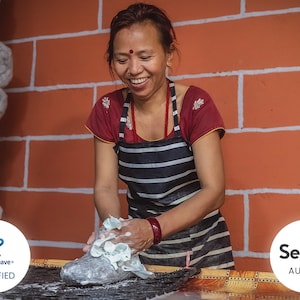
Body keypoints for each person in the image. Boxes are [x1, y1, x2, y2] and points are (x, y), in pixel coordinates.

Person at [85, 2, 234, 270]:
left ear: (168, 55)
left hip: (203, 251)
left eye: (145, 57)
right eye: (122, 60)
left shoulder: (195, 105)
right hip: (143, 255)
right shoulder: (108, 110)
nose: (133, 69)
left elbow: (214, 191)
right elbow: (105, 187)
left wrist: (151, 230)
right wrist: (115, 233)